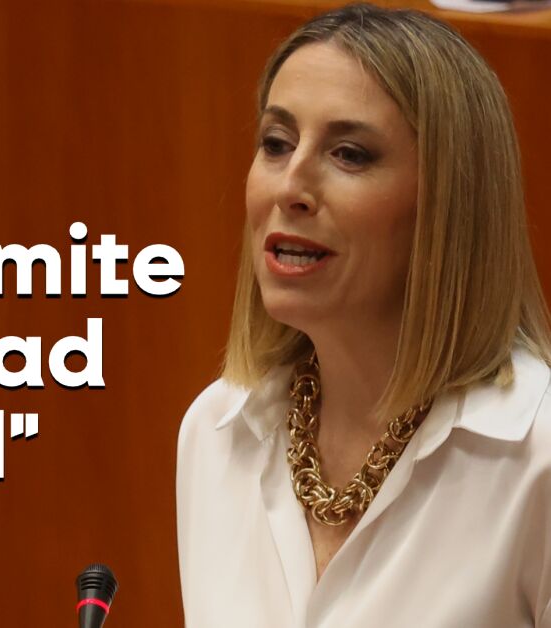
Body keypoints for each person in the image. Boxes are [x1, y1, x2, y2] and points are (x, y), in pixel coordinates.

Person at [175, 4, 551, 627]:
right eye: (276, 144)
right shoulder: (217, 431)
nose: (290, 187)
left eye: (349, 154)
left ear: (447, 205)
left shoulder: (537, 458)